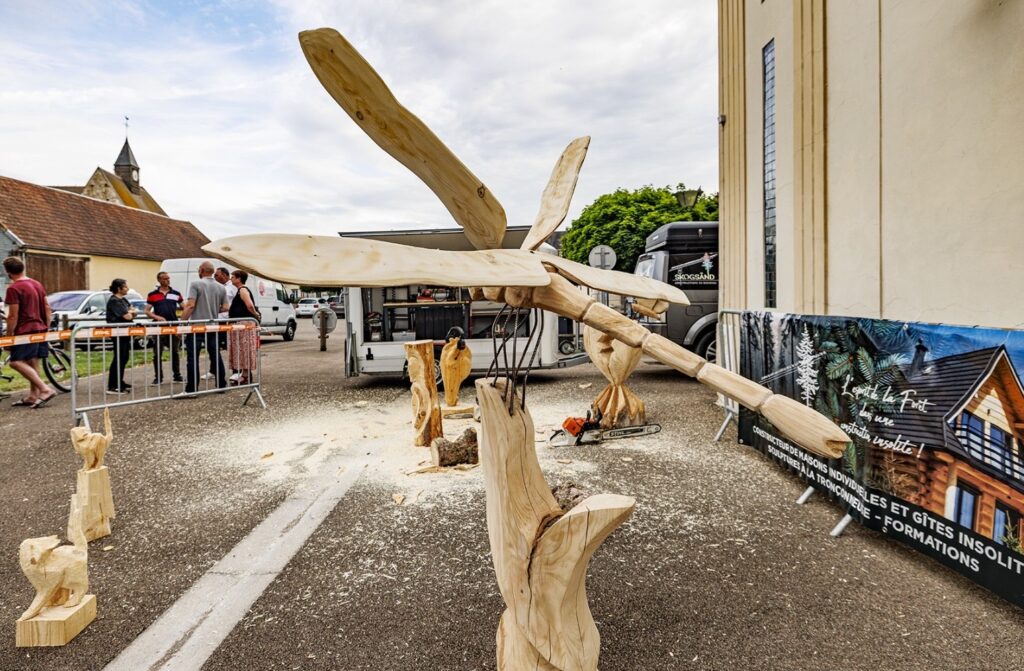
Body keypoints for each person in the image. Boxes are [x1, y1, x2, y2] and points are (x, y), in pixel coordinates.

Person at [3, 256, 55, 408]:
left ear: (8, 272)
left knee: (15, 362)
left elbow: (13, 316)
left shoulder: (14, 288)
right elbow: (47, 307)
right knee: (32, 361)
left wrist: (9, 337)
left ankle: (45, 389)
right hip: (40, 328)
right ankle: (33, 395)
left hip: (25, 330)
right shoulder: (36, 284)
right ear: (22, 268)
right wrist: (46, 325)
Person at [181, 261, 228, 394]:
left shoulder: (196, 284)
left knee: (193, 358)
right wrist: (212, 309)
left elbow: (190, 305)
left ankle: (192, 389)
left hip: (197, 326)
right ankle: (221, 385)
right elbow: (225, 307)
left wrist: (181, 323)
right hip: (212, 326)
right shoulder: (221, 287)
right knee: (215, 355)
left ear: (201, 270)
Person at [145, 271, 184, 384]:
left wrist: (182, 319)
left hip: (173, 326)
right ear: (159, 280)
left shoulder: (176, 293)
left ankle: (177, 375)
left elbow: (184, 307)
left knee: (175, 351)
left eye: (168, 278)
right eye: (164, 278)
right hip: (159, 327)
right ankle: (158, 377)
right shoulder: (152, 295)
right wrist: (157, 317)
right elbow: (147, 311)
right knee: (157, 352)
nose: (167, 280)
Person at [227, 270, 261, 385]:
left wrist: (255, 315)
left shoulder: (243, 290)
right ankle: (244, 375)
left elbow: (250, 305)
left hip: (244, 325)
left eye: (233, 277)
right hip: (241, 324)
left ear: (239, 278)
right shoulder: (240, 290)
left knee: (244, 349)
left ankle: (245, 376)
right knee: (242, 349)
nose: (231, 279)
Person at [106, 278, 138, 394]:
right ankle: (113, 385)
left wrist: (131, 313)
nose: (127, 288)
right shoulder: (115, 301)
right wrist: (131, 313)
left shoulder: (123, 300)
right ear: (119, 288)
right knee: (119, 358)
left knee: (124, 357)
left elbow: (134, 312)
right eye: (125, 287)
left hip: (125, 333)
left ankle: (120, 380)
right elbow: (128, 316)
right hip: (118, 333)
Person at [213, 266, 237, 380]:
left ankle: (236, 370)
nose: (214, 277)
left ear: (224, 275)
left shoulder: (232, 287)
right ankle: (213, 370)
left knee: (230, 346)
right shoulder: (216, 286)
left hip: (227, 320)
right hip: (217, 320)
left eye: (217, 275)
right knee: (214, 346)